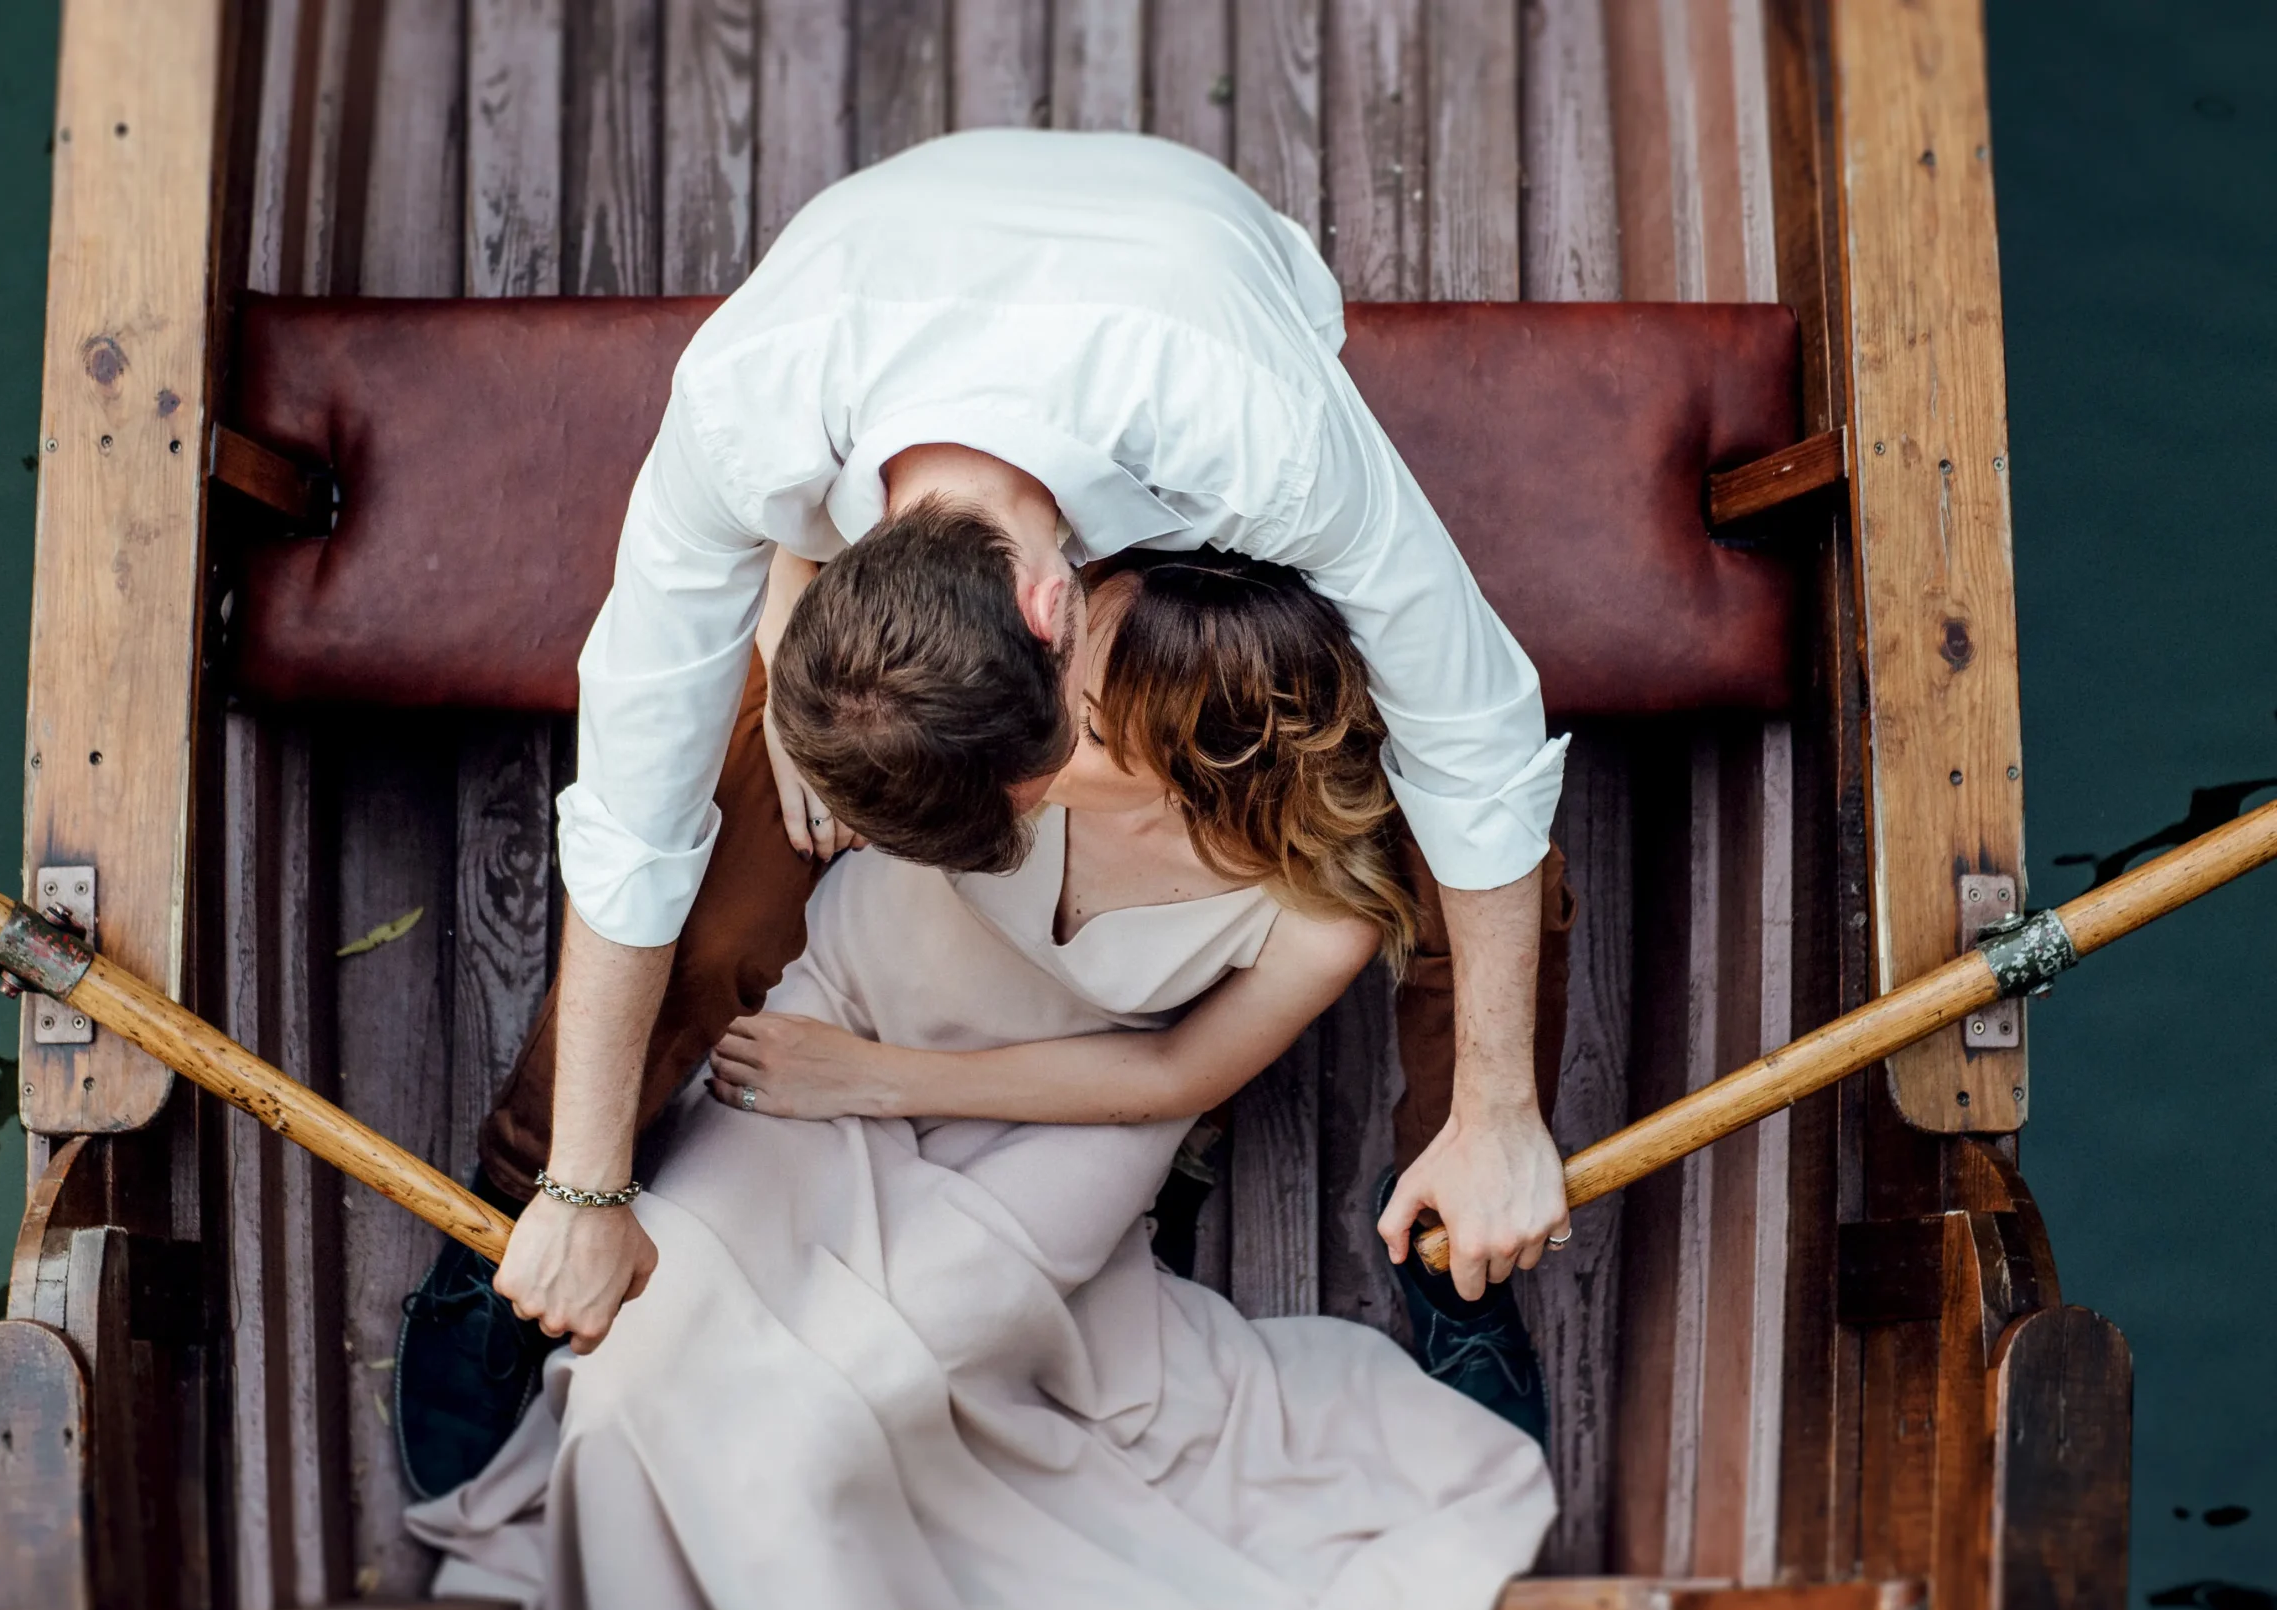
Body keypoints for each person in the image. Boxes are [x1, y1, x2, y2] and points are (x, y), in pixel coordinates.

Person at [395, 125, 1579, 1497]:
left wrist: (1500, 1098)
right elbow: (628, 828)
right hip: (886, 334)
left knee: (1478, 851)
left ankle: (1466, 1223)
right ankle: (507, 1201)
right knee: (712, 843)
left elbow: (1480, 731)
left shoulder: (1258, 439)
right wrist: (588, 1185)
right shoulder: (743, 415)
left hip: (1186, 325)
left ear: (1061, 613)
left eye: (1048, 777)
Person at [407, 554, 1570, 1610]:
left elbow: (1172, 1067)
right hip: (833, 1014)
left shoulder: (1316, 909)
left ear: (1193, 775)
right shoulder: (999, 675)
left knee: (844, 1415)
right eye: (1060, 670)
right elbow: (786, 536)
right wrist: (794, 688)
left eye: (1093, 732)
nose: (1035, 713)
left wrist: (878, 1081)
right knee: (636, 1371)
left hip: (1065, 1116)